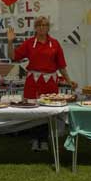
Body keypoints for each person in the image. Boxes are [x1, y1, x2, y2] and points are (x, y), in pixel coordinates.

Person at [7, 16, 75, 151]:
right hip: (33, 82)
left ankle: (43, 140)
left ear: (48, 27)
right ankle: (35, 139)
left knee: (47, 112)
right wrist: (10, 42)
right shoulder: (29, 43)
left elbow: (61, 66)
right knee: (33, 110)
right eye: (39, 25)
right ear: (35, 28)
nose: (42, 28)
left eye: (44, 25)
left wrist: (69, 81)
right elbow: (12, 56)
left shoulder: (55, 44)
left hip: (49, 83)